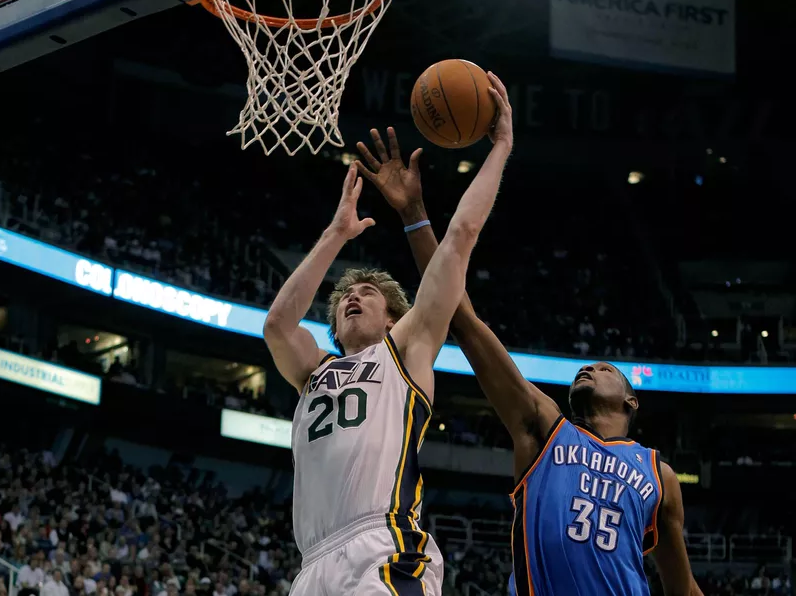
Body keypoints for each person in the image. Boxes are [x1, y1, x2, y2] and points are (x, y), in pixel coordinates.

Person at [358, 127, 703, 596]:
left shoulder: (658, 473)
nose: (590, 367)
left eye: (605, 369)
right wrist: (414, 212)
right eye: (588, 367)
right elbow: (460, 317)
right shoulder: (543, 427)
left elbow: (683, 588)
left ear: (631, 400)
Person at [264, 74, 514, 595]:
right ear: (333, 327)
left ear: (395, 318)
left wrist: (501, 148)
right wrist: (337, 233)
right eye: (345, 298)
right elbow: (278, 325)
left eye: (367, 294)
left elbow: (461, 237)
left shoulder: (406, 350)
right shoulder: (314, 372)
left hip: (384, 547)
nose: (353, 295)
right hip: (311, 567)